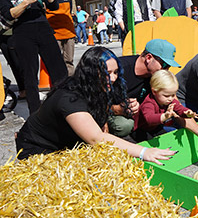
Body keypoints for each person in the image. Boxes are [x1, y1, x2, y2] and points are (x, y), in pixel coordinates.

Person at [15, 47, 176, 164]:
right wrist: (143, 152)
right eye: (108, 73)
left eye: (115, 72)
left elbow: (101, 119)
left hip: (68, 145)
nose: (113, 78)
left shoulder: (97, 88)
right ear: (91, 72)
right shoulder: (70, 98)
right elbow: (96, 138)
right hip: (38, 149)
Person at [0, 0, 68, 114]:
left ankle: (64, 107)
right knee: (30, 76)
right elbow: (9, 15)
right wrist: (26, 2)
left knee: (60, 71)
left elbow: (53, 5)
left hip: (44, 29)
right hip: (23, 32)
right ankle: (35, 114)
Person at [133, 70, 198, 152]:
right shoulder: (148, 103)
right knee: (146, 143)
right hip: (142, 129)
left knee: (166, 136)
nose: (170, 99)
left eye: (173, 95)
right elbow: (149, 118)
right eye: (167, 95)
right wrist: (165, 116)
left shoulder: (168, 100)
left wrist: (187, 112)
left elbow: (179, 108)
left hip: (156, 127)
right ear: (154, 91)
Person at [108, 39, 180, 138]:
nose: (166, 70)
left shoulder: (156, 75)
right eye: (164, 65)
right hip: (113, 116)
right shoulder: (118, 70)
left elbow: (176, 104)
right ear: (149, 57)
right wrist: (117, 109)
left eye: (169, 67)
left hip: (139, 119)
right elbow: (93, 103)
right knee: (124, 125)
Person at [43, 0, 76, 76]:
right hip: (54, 34)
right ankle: (58, 84)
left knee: (69, 61)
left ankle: (70, 82)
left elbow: (70, 10)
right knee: (55, 61)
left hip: (68, 32)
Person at [0, 0, 26, 101]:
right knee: (11, 62)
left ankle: (25, 88)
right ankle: (21, 88)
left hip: (12, 33)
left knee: (18, 62)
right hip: (2, 35)